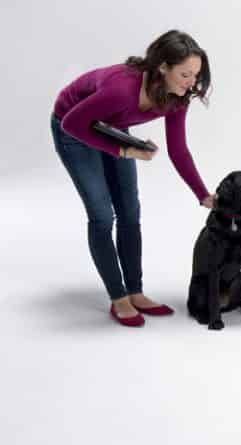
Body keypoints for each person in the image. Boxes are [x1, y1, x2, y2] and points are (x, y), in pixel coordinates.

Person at [52, 30, 215, 327]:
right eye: (185, 74)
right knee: (102, 215)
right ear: (163, 67)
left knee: (130, 211)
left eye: (196, 74)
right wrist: (124, 150)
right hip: (72, 128)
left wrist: (202, 194)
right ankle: (119, 298)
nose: (192, 82)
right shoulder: (122, 90)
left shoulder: (178, 97)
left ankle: (135, 292)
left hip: (110, 125)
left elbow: (178, 150)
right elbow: (72, 123)